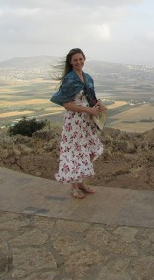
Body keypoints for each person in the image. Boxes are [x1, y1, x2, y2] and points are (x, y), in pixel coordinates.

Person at [51, 48, 106, 199]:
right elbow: (66, 104)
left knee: (90, 150)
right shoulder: (69, 79)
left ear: (84, 59)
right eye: (75, 60)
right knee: (74, 152)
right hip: (74, 121)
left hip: (87, 121)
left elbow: (92, 97)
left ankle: (81, 181)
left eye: (80, 59)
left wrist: (99, 103)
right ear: (71, 62)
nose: (78, 62)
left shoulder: (87, 77)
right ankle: (74, 186)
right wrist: (88, 110)